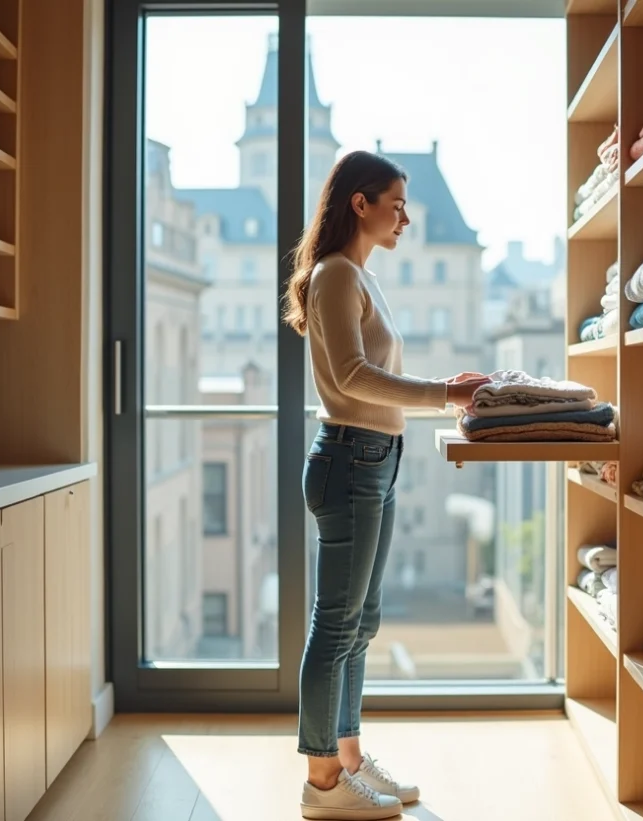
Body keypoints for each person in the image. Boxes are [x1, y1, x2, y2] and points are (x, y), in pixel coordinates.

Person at [282, 150, 490, 820]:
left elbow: (364, 370)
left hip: (374, 459)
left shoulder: (357, 276)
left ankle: (346, 756)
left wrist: (438, 392)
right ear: (359, 204)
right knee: (336, 623)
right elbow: (350, 375)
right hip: (352, 460)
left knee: (360, 621)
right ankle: (322, 785)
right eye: (395, 202)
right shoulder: (337, 274)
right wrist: (444, 392)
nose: (405, 215)